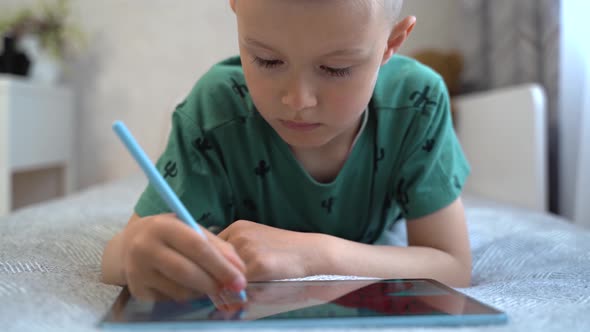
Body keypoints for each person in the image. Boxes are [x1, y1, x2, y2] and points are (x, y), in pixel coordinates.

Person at [101, 0, 472, 303]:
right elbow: (114, 260)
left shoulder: (417, 103)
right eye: (268, 60)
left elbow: (454, 265)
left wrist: (314, 255)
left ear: (392, 42)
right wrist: (136, 247)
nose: (298, 100)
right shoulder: (214, 111)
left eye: (335, 68)